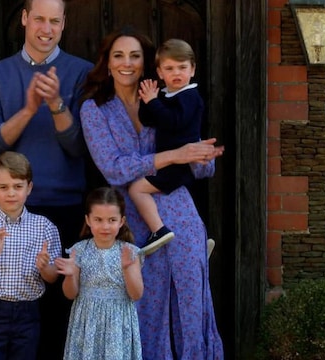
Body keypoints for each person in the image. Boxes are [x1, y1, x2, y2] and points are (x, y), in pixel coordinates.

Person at [79, 27, 225, 359]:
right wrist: (174, 156)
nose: (126, 63)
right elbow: (113, 168)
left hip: (180, 211)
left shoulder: (170, 99)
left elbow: (198, 165)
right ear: (108, 62)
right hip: (132, 220)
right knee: (145, 305)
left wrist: (202, 157)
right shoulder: (94, 109)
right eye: (118, 56)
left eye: (135, 56)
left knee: (191, 302)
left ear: (147, 65)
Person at [0, 0, 93, 357]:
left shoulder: (82, 73)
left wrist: (56, 104)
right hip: (7, 211)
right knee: (6, 317)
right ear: (24, 19)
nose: (46, 28)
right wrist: (27, 109)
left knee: (59, 316)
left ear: (64, 24)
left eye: (54, 21)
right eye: (39, 18)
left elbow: (80, 147)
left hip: (65, 209)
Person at [0, 151, 63, 359]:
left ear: (29, 188)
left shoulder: (44, 227)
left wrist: (44, 267)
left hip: (28, 312)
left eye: (18, 187)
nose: (11, 194)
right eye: (3, 187)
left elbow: (53, 277)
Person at [129, 38, 202, 255]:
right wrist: (147, 100)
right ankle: (194, 243)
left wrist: (154, 102)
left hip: (178, 166)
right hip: (169, 164)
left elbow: (173, 121)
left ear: (193, 69)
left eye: (182, 67)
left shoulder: (190, 97)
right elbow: (149, 119)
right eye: (169, 68)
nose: (176, 73)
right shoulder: (168, 95)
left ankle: (158, 231)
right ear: (160, 73)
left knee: (136, 189)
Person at [55, 187, 143, 360]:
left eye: (112, 220)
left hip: (118, 323)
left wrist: (127, 269)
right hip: (86, 322)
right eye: (98, 219)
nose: (105, 226)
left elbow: (136, 294)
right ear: (88, 220)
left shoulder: (130, 252)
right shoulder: (79, 250)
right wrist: (71, 275)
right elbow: (70, 294)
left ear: (121, 221)